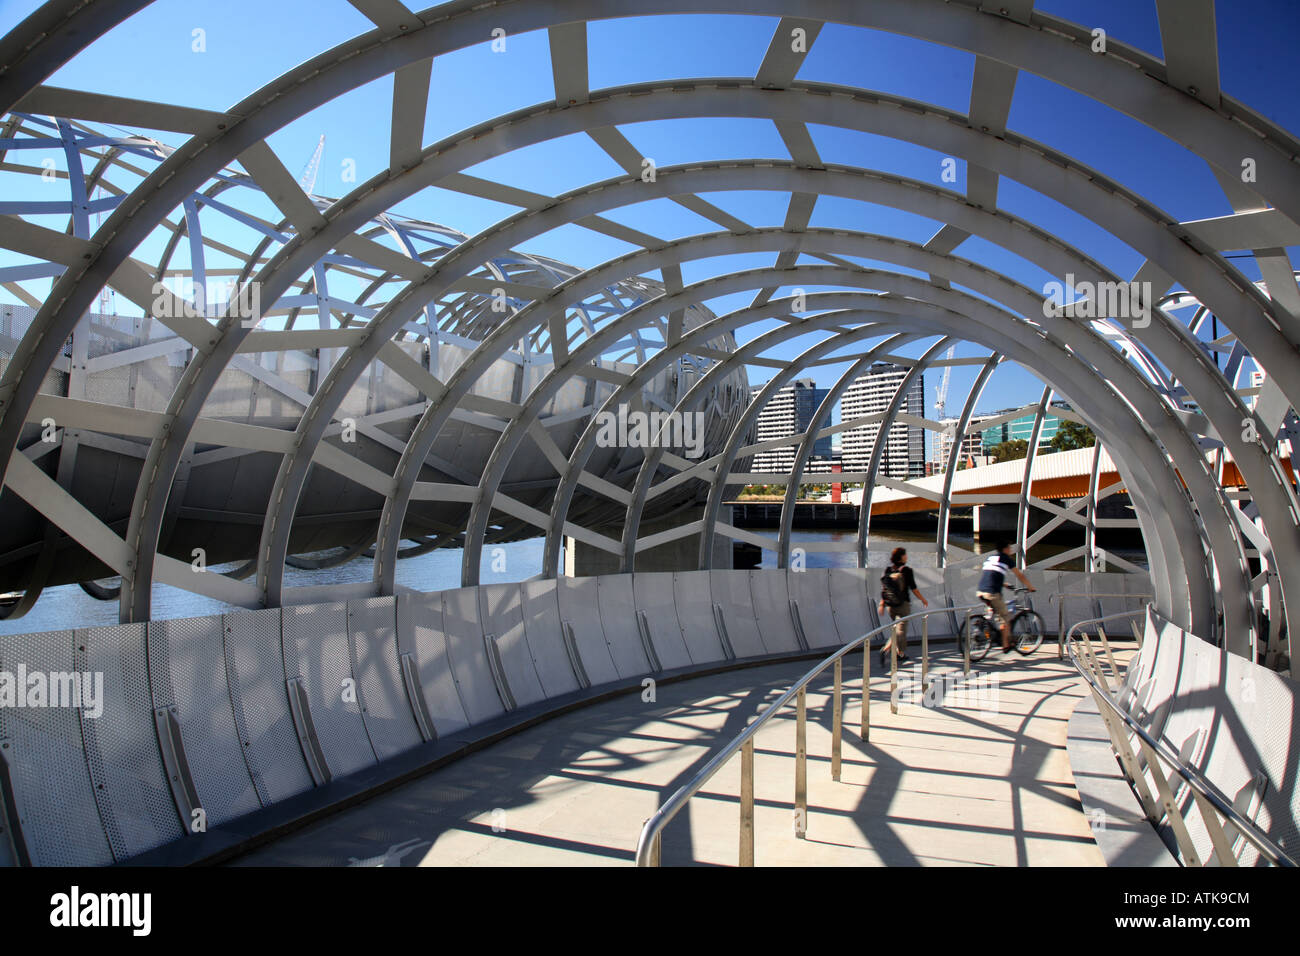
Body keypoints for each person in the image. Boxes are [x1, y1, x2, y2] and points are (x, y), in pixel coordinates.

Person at [976, 541, 1035, 654]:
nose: (1011, 549)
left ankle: (984, 625)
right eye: (1009, 547)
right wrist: (1030, 586)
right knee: (1006, 619)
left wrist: (1004, 584)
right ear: (1005, 549)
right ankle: (1006, 645)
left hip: (981, 590)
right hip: (992, 592)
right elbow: (1020, 575)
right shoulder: (1006, 559)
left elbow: (991, 574)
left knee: (994, 612)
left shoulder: (991, 557)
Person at [878, 546, 927, 667]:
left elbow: (885, 589)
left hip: (890, 606)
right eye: (905, 555)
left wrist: (882, 603)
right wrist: (923, 599)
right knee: (900, 631)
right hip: (903, 605)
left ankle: (900, 653)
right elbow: (914, 589)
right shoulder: (906, 570)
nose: (907, 556)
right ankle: (886, 650)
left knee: (897, 628)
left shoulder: (888, 570)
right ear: (901, 557)